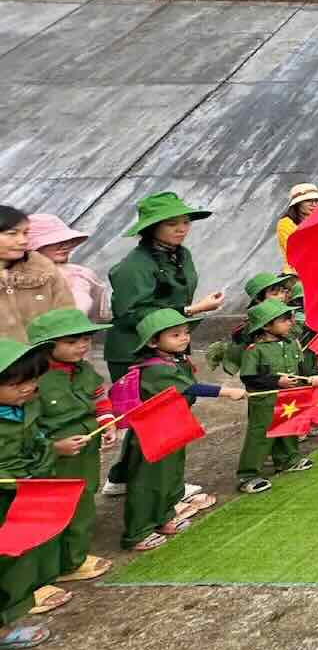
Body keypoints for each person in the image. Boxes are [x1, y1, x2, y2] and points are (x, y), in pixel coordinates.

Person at [100, 192, 225, 498]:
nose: (182, 229)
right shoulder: (133, 266)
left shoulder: (180, 254)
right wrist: (192, 311)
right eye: (172, 224)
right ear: (151, 227)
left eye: (185, 222)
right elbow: (131, 314)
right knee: (158, 417)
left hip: (168, 345)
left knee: (156, 415)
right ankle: (164, 489)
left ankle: (121, 477)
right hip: (135, 351)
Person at [120, 309, 247, 551]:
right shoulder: (156, 369)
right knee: (149, 479)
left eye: (186, 333)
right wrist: (227, 391)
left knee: (171, 474)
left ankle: (163, 517)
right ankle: (137, 531)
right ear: (153, 341)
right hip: (154, 428)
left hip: (174, 422)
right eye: (175, 335)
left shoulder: (174, 360)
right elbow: (190, 388)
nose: (184, 338)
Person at [26, 309, 115, 583]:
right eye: (72, 341)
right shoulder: (33, 380)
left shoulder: (83, 369)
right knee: (54, 507)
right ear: (47, 346)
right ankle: (50, 569)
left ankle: (72, 560)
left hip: (85, 446)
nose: (83, 346)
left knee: (84, 499)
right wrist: (53, 446)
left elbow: (98, 395)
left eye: (86, 339)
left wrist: (106, 419)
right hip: (53, 455)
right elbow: (26, 426)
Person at [0, 339, 63, 649]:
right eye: (16, 384)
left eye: (32, 381)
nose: (27, 389)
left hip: (22, 494)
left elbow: (39, 442)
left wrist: (45, 460)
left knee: (17, 561)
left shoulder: (23, 408)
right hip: (6, 496)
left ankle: (8, 618)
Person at [234, 300, 314, 493]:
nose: (290, 323)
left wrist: (310, 378)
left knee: (288, 428)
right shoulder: (255, 350)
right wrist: (276, 382)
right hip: (265, 400)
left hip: (289, 397)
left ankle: (288, 460)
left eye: (290, 318)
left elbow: (301, 367)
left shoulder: (291, 344)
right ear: (266, 326)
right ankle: (248, 475)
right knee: (261, 435)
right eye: (284, 319)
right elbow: (249, 378)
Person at [0, 206, 75, 344]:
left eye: (25, 233)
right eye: (12, 233)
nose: (23, 241)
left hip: (40, 361)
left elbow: (67, 317)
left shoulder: (42, 269)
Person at [26, 214, 109, 322]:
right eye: (55, 241)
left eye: (66, 240)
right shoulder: (11, 277)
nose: (65, 245)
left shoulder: (80, 275)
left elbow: (93, 318)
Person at [276, 183, 318, 273]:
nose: (314, 204)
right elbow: (295, 251)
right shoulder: (285, 223)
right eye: (308, 200)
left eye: (317, 200)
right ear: (298, 203)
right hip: (297, 273)